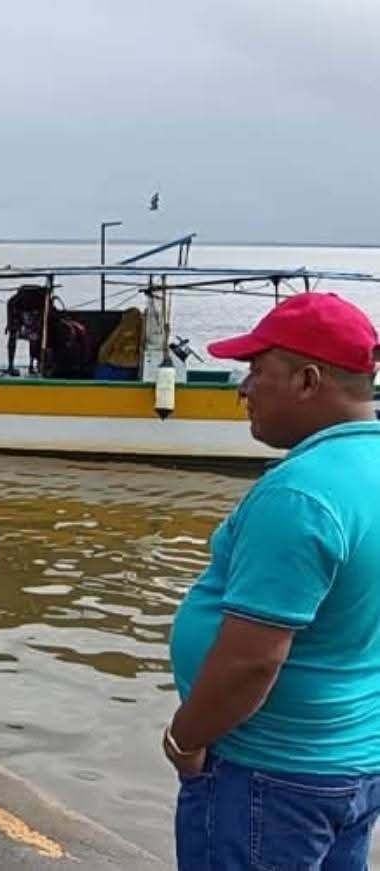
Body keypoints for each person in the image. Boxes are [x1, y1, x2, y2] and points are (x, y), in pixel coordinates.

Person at [166, 292, 380, 870]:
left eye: (259, 370)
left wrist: (184, 738)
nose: (243, 387)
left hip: (269, 780)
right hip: (351, 766)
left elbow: (251, 663)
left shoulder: (301, 494)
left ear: (308, 380)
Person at [4, 284, 48, 375]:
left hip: (24, 317)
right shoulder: (41, 300)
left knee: (32, 336)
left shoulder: (41, 300)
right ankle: (28, 366)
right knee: (33, 336)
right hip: (22, 317)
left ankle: (28, 365)